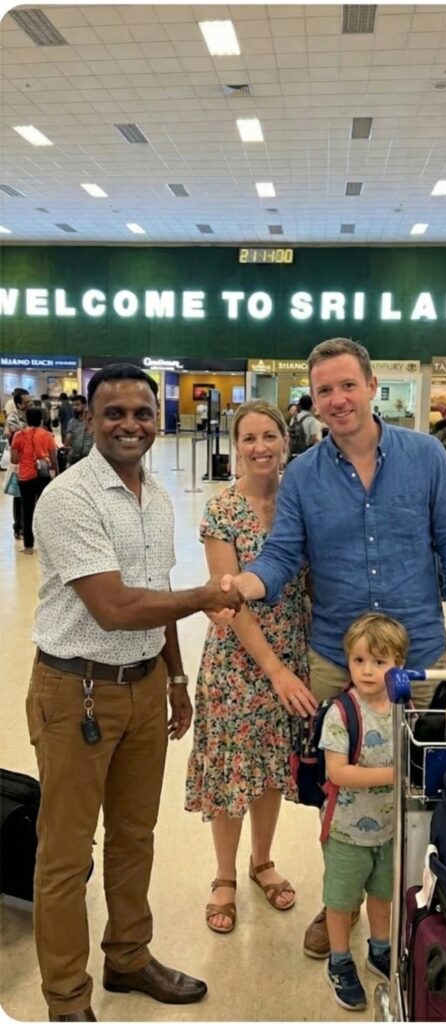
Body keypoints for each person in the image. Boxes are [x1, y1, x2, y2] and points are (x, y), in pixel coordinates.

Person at [219, 337, 446, 957]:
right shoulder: (304, 476)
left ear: (371, 387)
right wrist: (246, 583)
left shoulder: (425, 456)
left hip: (417, 655)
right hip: (337, 661)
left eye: (347, 386)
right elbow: (283, 555)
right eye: (324, 390)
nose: (337, 400)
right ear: (314, 399)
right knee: (339, 789)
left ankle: (411, 901)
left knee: (419, 785)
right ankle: (340, 899)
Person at [28, 364, 243, 1022]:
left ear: (158, 418)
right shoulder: (68, 498)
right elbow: (117, 608)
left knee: (134, 836)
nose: (130, 424)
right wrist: (207, 596)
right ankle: (67, 1000)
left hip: (145, 686)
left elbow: (156, 592)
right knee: (67, 855)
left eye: (142, 413)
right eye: (114, 413)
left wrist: (175, 678)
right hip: (77, 691)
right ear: (89, 420)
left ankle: (127, 956)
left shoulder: (155, 495)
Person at [185, 400, 316, 935]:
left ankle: (262, 862)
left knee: (271, 766)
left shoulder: (301, 501)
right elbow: (230, 601)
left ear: (286, 441)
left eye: (269, 436)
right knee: (231, 770)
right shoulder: (223, 511)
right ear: (235, 446)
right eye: (249, 438)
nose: (260, 447)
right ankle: (224, 876)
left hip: (292, 649)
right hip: (239, 663)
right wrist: (274, 669)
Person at [320, 612, 408, 1012]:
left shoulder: (402, 707)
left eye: (379, 661)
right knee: (341, 901)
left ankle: (380, 948)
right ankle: (339, 961)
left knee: (383, 895)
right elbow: (338, 772)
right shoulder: (342, 712)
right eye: (359, 660)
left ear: (398, 664)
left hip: (388, 830)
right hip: (345, 831)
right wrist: (395, 774)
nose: (368, 670)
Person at [10, 406, 57, 553]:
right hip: (43, 476)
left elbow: (14, 460)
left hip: (25, 477)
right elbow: (53, 460)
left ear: (26, 419)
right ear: (41, 420)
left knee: (27, 511)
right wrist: (55, 473)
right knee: (45, 510)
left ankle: (29, 547)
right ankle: (47, 546)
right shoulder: (48, 436)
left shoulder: (18, 436)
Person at [4, 387, 32, 540]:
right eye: (27, 402)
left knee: (30, 496)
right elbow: (19, 433)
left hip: (32, 463)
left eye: (30, 401)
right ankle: (19, 526)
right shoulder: (13, 418)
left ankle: (29, 526)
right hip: (19, 464)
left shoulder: (32, 414)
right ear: (19, 404)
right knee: (19, 496)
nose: (30, 404)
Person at [288, 394, 322, 458]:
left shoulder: (294, 417)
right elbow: (313, 439)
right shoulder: (311, 420)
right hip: (305, 452)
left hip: (293, 451)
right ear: (312, 406)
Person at [64, 394, 94, 464]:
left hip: (90, 458)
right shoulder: (72, 422)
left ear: (84, 405)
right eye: (73, 405)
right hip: (75, 458)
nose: (75, 407)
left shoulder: (92, 420)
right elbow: (68, 439)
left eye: (77, 404)